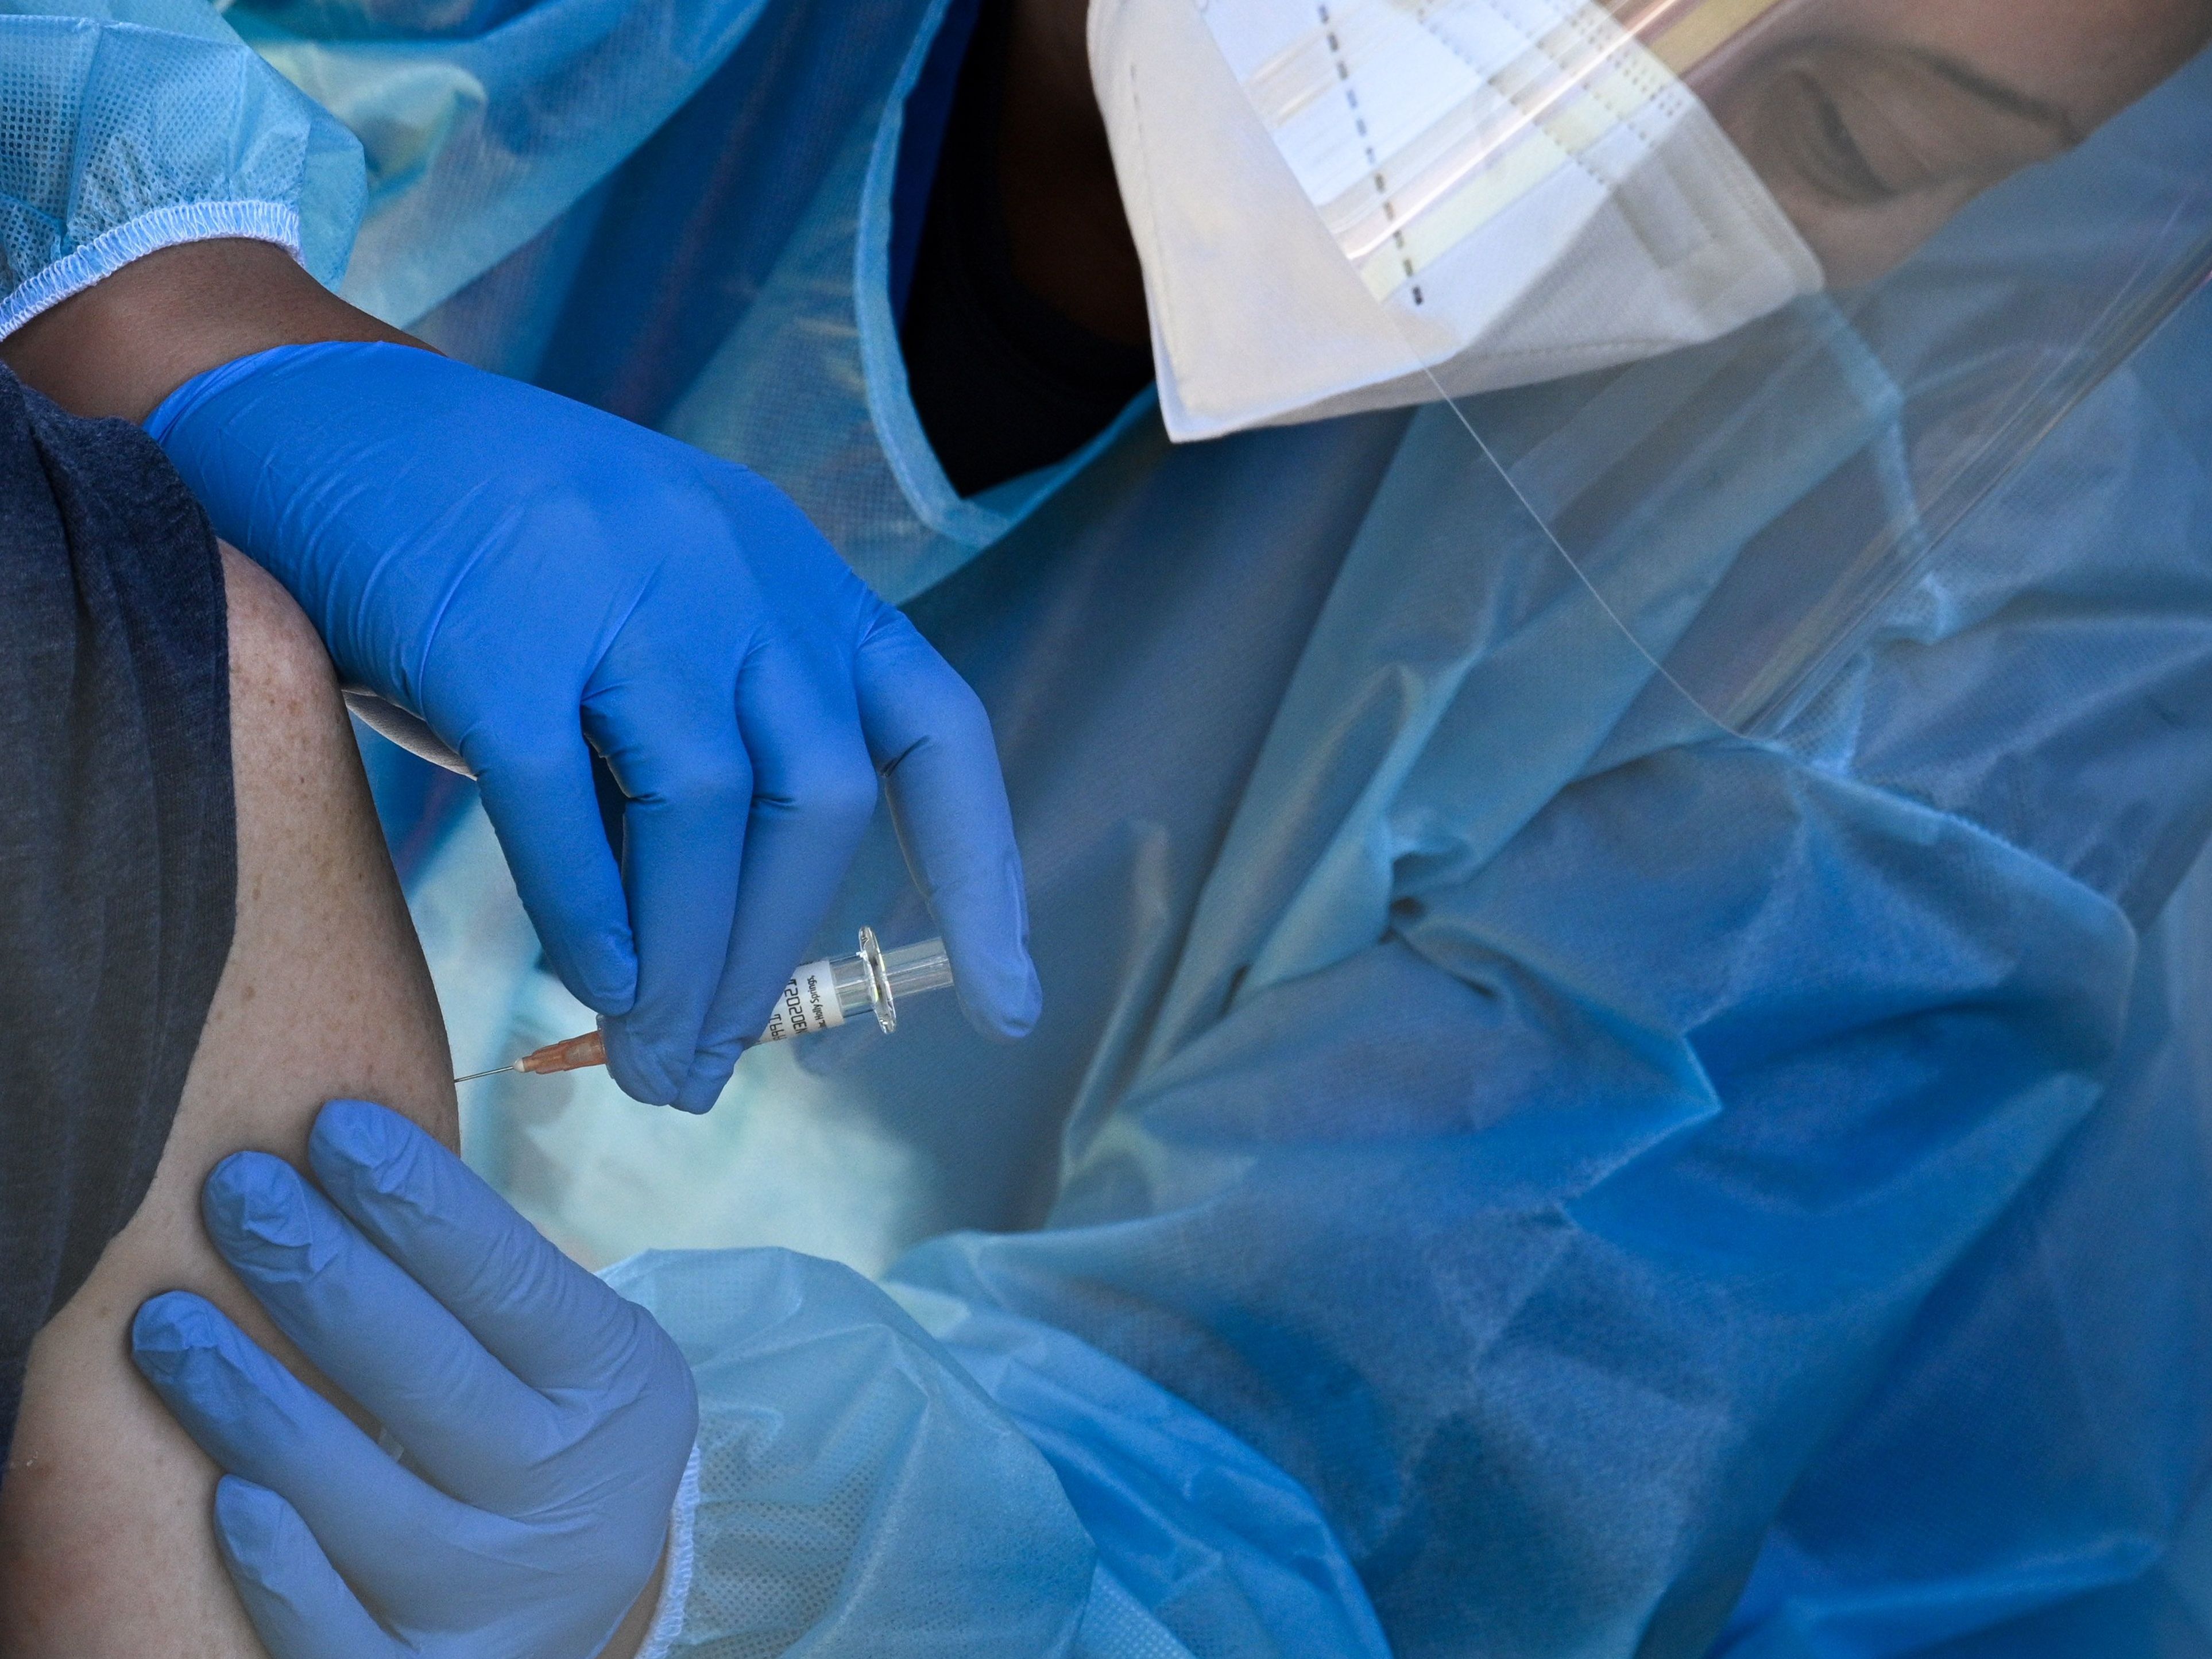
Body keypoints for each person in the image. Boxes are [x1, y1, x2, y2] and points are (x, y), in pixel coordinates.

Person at [6, 3, 2212, 1659]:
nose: (1587, 132)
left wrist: (733, 1561)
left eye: (1844, 131)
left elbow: (1386, 1475)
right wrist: (159, 294)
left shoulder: (1943, 574)